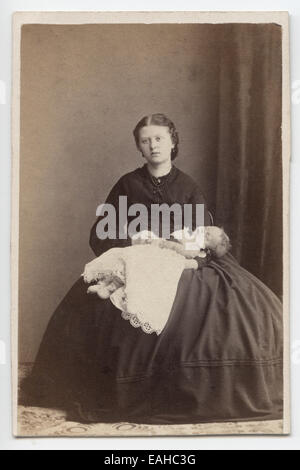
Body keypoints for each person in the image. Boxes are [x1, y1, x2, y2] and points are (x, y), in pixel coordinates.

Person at [21, 113, 283, 425]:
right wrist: (134, 241)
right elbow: (100, 233)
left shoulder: (188, 187)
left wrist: (186, 255)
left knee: (229, 307)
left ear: (173, 143)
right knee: (100, 302)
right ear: (139, 149)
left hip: (180, 260)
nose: (153, 145)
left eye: (159, 138)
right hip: (136, 256)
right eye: (146, 141)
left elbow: (201, 238)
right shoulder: (127, 184)